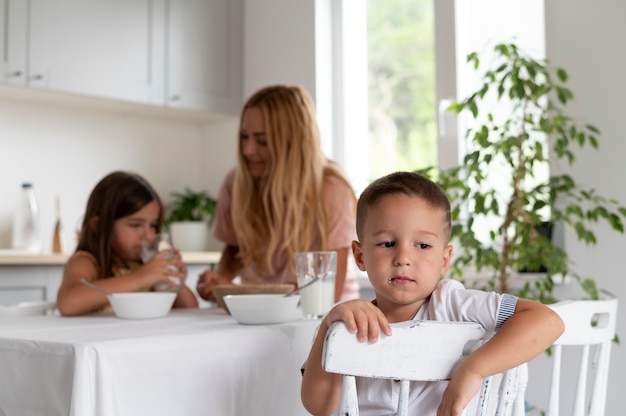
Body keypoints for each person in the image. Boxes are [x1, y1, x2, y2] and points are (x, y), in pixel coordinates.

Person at [300, 171, 565, 416]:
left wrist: (472, 369)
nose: (403, 257)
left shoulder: (453, 303)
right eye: (387, 243)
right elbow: (319, 407)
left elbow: (548, 320)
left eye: (423, 245)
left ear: (444, 259)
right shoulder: (348, 326)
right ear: (360, 256)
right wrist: (328, 326)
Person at [196, 85, 359, 302]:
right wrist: (221, 279)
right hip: (263, 313)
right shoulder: (236, 182)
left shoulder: (331, 189)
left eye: (262, 141)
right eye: (245, 137)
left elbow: (325, 291)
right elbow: (236, 248)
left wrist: (248, 293)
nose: (248, 150)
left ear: (294, 142)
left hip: (326, 317)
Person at [57, 171, 198, 316]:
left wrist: (175, 281)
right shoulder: (86, 263)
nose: (148, 235)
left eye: (153, 225)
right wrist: (140, 278)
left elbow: (191, 309)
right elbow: (68, 304)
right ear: (99, 226)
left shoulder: (147, 264)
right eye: (135, 225)